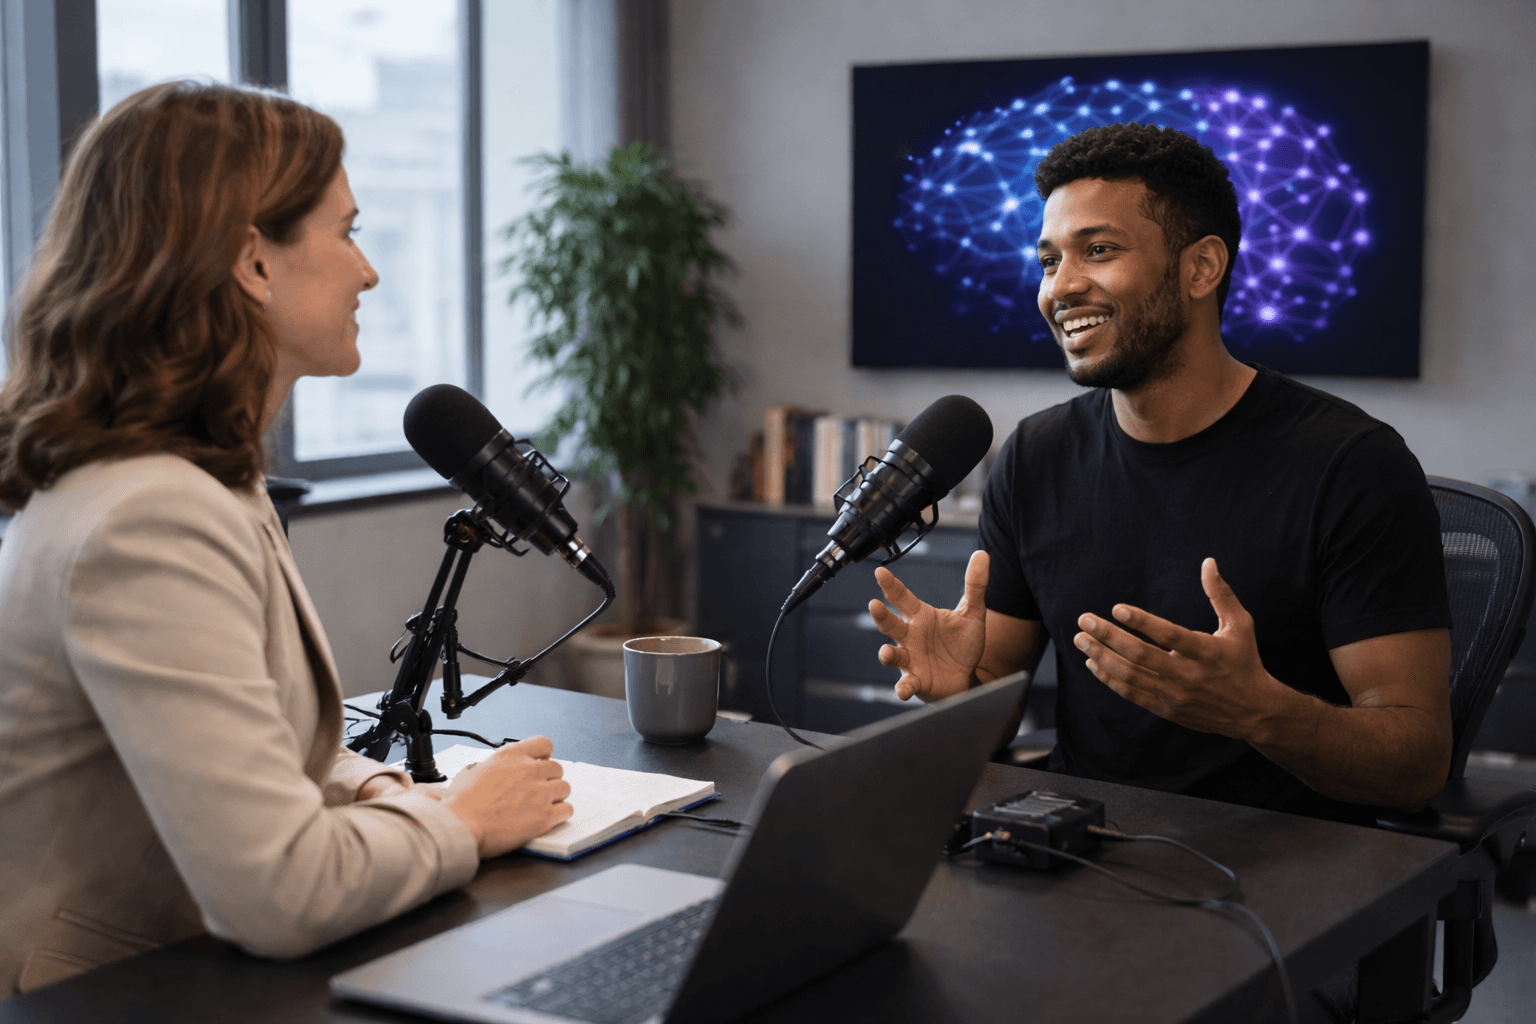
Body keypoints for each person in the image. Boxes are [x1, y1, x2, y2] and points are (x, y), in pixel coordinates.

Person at [0, 83, 573, 995]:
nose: (368, 271)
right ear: (253, 264)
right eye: (346, 233)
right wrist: (460, 823)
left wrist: (390, 795)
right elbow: (278, 893)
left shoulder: (202, 477)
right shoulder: (148, 516)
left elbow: (258, 751)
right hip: (111, 996)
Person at [870, 122, 1454, 826]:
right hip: (1079, 850)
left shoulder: (1352, 465)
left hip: (1290, 872)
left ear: (1201, 268)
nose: (1063, 287)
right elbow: (994, 707)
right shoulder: (1035, 457)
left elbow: (1418, 763)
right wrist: (959, 694)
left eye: (1100, 250)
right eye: (1048, 260)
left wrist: (1261, 714)